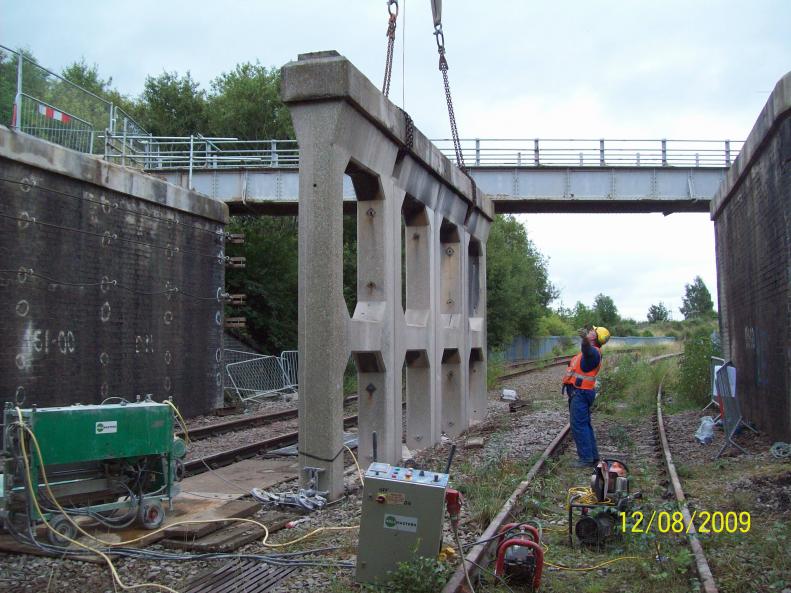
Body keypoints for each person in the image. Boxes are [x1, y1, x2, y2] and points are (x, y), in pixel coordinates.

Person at [562, 325, 610, 467]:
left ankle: (585, 459)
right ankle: (593, 456)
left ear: (594, 337)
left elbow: (586, 350)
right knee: (585, 425)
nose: (589, 331)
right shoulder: (595, 352)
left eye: (591, 331)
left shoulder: (593, 352)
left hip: (581, 393)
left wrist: (584, 340)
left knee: (579, 426)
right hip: (582, 392)